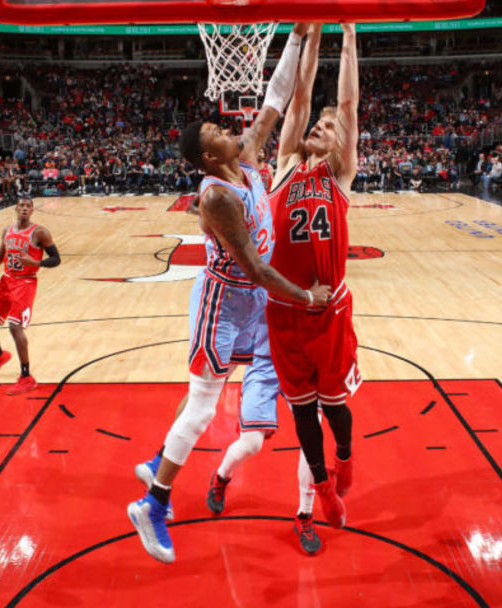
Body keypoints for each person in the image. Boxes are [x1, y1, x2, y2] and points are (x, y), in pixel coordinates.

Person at [127, 22, 331, 565]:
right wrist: (308, 298)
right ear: (206, 155)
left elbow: (275, 100)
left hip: (254, 305)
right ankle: (153, 503)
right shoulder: (217, 197)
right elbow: (259, 269)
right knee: (201, 409)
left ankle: (160, 461)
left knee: (218, 405)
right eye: (214, 129)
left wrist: (299, 36)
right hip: (225, 300)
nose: (225, 126)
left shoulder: (242, 158)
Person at [266, 22, 361, 532]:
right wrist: (314, 32)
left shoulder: (339, 173)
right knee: (302, 413)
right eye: (315, 127)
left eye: (325, 130)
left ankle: (345, 455)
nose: (317, 129)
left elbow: (345, 107)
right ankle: (322, 488)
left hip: (329, 312)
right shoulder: (285, 164)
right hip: (285, 311)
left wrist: (347, 32)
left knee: (334, 407)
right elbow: (300, 96)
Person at [0, 197, 60, 396]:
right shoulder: (7, 231)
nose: (24, 209)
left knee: (14, 326)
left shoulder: (40, 232)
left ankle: (27, 377)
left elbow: (56, 260)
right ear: (15, 209)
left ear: (32, 211)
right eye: (21, 205)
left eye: (28, 206)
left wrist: (36, 263)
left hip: (26, 282)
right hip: (6, 281)